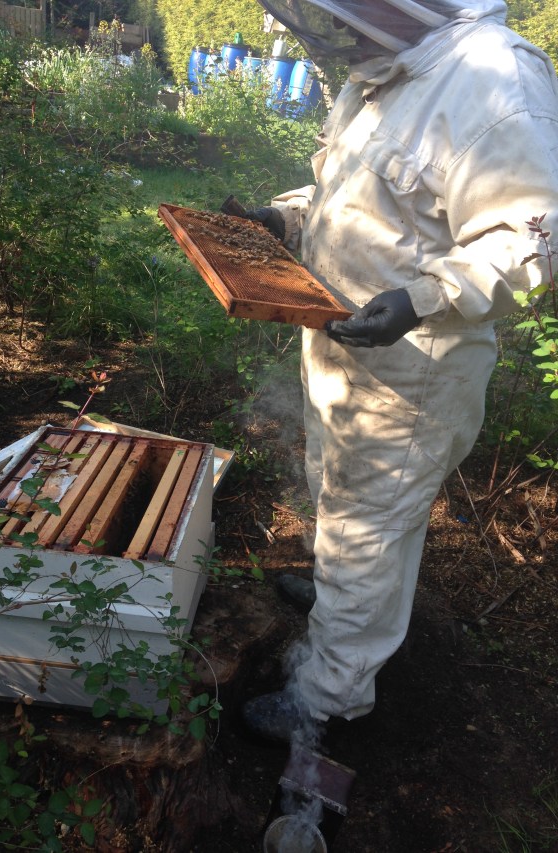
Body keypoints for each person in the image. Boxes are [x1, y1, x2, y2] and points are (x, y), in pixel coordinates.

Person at [240, 0, 558, 743]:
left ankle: (326, 698)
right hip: (344, 351)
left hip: (413, 376)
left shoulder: (493, 75)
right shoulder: (383, 76)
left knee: (368, 532)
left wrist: (420, 300)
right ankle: (335, 598)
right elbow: (351, 195)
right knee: (335, 494)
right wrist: (282, 219)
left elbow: (535, 237)